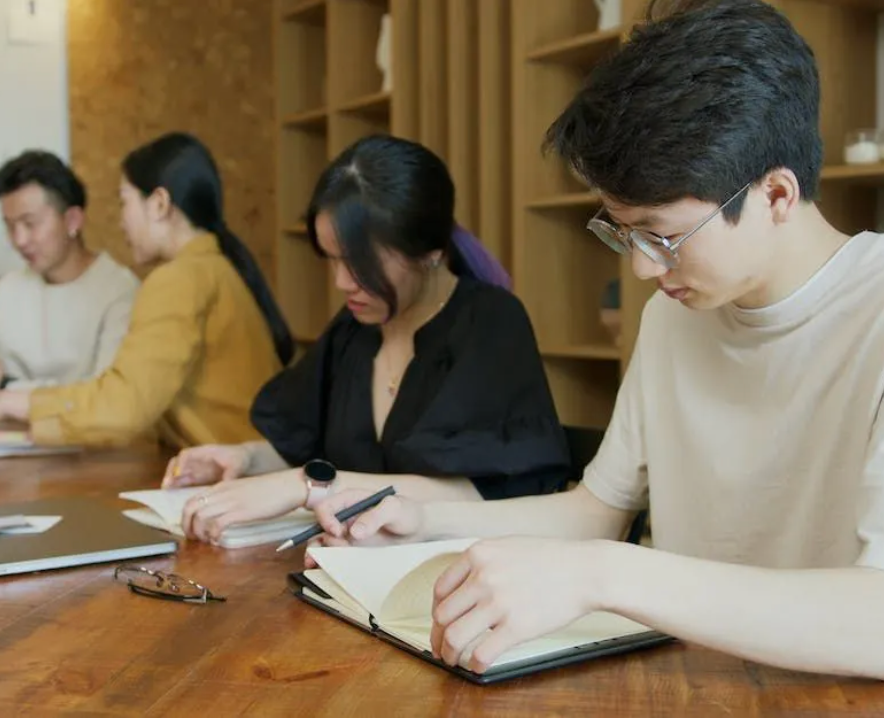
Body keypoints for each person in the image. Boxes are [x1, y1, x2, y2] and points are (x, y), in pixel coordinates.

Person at [309, 0, 884, 680]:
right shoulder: (675, 315)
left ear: (777, 196)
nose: (640, 268)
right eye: (623, 232)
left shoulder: (872, 314)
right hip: (685, 686)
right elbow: (597, 511)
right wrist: (425, 521)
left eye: (662, 235)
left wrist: (604, 575)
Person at [166, 134, 571, 544]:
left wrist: (308, 486)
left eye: (360, 263)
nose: (342, 282)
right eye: (333, 260)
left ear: (430, 251)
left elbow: (484, 491)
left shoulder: (489, 323)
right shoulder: (353, 331)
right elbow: (304, 443)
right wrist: (243, 458)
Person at [0, 132, 293, 448]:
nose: (120, 220)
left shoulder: (179, 279)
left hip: (236, 475)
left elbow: (122, 407)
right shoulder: (212, 267)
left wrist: (3, 399)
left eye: (124, 202)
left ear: (159, 204)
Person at [0, 150, 139, 392]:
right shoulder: (8, 290)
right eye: (10, 226)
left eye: (30, 224)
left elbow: (104, 397)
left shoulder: (118, 290)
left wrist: (7, 386)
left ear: (72, 221)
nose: (19, 240)